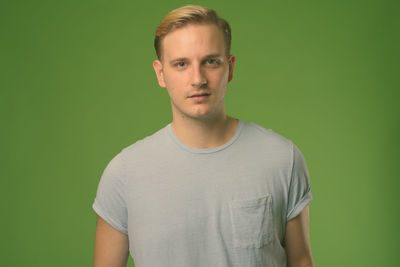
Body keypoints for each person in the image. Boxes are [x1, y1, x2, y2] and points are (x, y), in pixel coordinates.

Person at [93, 4, 314, 267]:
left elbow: (301, 261)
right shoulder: (124, 174)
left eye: (210, 61)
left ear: (229, 68)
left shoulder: (282, 159)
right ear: (160, 73)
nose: (197, 78)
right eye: (181, 64)